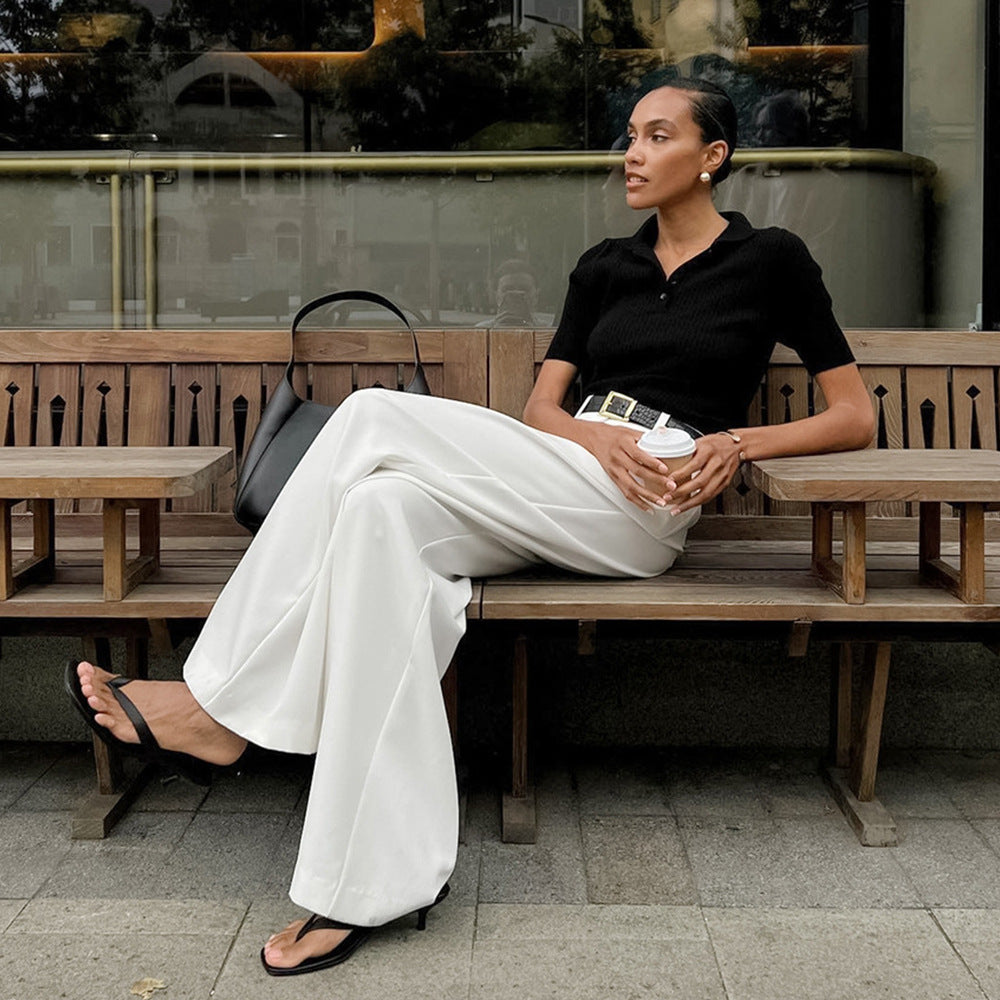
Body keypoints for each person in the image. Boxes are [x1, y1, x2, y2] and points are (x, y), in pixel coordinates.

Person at [67, 79, 874, 977]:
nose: (631, 155)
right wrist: (588, 435)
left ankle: (216, 704)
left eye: (656, 136)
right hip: (567, 467)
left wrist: (735, 440)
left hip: (652, 496)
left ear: (712, 157)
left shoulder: (771, 260)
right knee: (380, 515)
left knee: (372, 415)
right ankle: (367, 883)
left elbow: (853, 413)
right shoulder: (606, 264)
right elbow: (541, 406)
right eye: (629, 136)